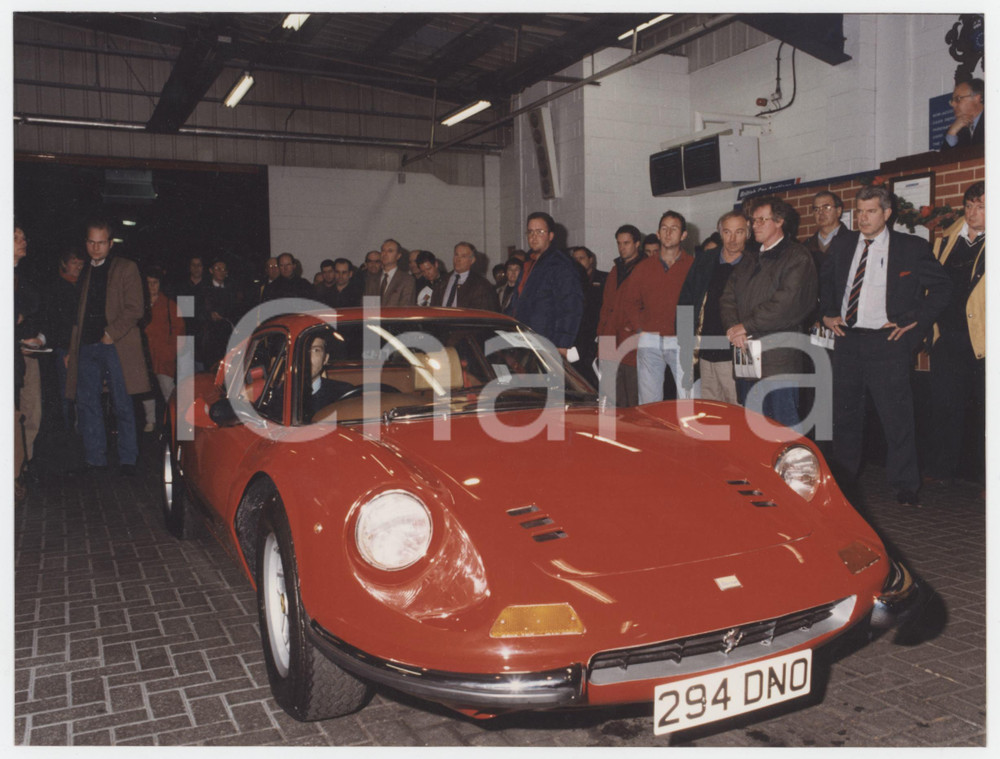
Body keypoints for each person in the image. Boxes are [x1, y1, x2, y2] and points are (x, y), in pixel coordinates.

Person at [820, 185, 950, 505]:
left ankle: (905, 485)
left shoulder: (910, 248)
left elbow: (943, 288)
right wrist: (826, 313)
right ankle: (844, 482)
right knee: (845, 417)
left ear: (887, 213)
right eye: (860, 212)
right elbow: (824, 281)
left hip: (887, 344)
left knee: (897, 418)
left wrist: (913, 321)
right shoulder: (844, 243)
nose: (863, 218)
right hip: (848, 341)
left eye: (871, 211)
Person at [721, 196, 817, 429]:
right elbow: (727, 298)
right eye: (753, 221)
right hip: (745, 354)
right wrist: (735, 329)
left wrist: (746, 326)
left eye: (762, 220)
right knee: (751, 427)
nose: (755, 225)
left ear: (779, 221)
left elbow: (786, 304)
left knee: (783, 429)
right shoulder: (750, 258)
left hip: (778, 360)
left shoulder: (797, 256)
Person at [66, 218, 150, 475]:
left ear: (110, 243)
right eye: (91, 242)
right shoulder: (85, 272)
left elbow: (135, 308)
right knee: (87, 403)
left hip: (116, 345)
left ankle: (128, 460)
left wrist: (110, 334)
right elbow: (78, 315)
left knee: (123, 402)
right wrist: (72, 349)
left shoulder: (126, 268)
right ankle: (96, 460)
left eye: (101, 243)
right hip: (87, 347)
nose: (95, 247)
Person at [924, 181, 984, 485]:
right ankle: (941, 470)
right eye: (969, 206)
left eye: (981, 207)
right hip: (948, 337)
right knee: (944, 406)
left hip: (984, 341)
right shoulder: (946, 241)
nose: (973, 213)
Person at [678, 212, 749, 405]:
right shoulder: (704, 260)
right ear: (720, 233)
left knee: (738, 411)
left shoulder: (754, 263)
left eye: (739, 232)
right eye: (727, 232)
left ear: (747, 234)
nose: (733, 239)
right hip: (705, 352)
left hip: (735, 353)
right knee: (711, 413)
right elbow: (686, 299)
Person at [634, 211, 695, 404]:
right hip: (650, 341)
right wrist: (640, 328)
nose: (668, 233)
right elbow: (629, 301)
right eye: (664, 228)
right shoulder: (644, 267)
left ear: (684, 235)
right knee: (648, 402)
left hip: (682, 340)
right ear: (658, 234)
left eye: (674, 229)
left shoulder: (694, 266)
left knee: (689, 400)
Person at [512, 212, 583, 356]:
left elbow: (571, 306)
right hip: (525, 340)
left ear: (550, 236)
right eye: (530, 232)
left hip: (547, 344)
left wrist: (562, 343)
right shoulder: (529, 262)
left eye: (540, 232)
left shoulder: (561, 265)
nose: (533, 236)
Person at [596, 224, 645, 406]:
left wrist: (635, 327)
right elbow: (606, 305)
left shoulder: (645, 268)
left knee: (632, 396)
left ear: (637, 243)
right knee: (610, 397)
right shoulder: (615, 270)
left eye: (626, 243)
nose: (622, 247)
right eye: (619, 243)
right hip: (609, 338)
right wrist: (601, 333)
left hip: (631, 340)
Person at [15, 223, 45, 496]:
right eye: (16, 237)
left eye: (24, 236)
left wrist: (37, 337)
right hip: (13, 355)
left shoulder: (25, 277)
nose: (23, 241)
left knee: (32, 411)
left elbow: (36, 311)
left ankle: (25, 465)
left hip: (28, 355)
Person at [140, 266, 185, 433]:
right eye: (149, 283)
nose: (152, 287)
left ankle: (178, 421)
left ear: (160, 284)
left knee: (168, 390)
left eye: (155, 283)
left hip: (163, 356)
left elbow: (179, 330)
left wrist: (171, 352)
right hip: (145, 355)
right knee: (146, 390)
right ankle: (150, 420)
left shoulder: (169, 305)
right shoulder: (139, 304)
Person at [47, 248, 86, 428]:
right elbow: (58, 321)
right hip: (64, 346)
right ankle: (69, 430)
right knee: (66, 391)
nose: (78, 266)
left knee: (82, 388)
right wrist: (67, 348)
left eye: (80, 263)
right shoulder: (57, 287)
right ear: (64, 264)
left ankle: (79, 426)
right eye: (74, 262)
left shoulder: (83, 286)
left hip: (82, 345)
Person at [569, 246, 607, 386]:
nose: (578, 261)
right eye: (575, 259)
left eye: (582, 258)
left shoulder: (604, 279)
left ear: (591, 260)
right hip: (579, 340)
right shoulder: (572, 281)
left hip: (597, 338)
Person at [199, 258, 241, 367]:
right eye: (218, 269)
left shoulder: (232, 289)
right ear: (211, 270)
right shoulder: (203, 289)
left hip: (227, 337)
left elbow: (236, 310)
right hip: (210, 338)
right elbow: (196, 312)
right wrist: (209, 315)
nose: (221, 272)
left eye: (224, 269)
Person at [432, 242, 498, 311]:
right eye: (456, 255)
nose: (458, 260)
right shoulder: (442, 281)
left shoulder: (481, 285)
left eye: (463, 256)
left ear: (472, 260)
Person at [303, 335, 353, 422]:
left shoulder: (345, 392)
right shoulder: (279, 395)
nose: (307, 358)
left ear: (325, 359)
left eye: (316, 350)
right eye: (303, 350)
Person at [365, 239, 415, 306]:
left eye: (390, 251)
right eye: (383, 250)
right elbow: (369, 310)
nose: (385, 254)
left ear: (398, 256)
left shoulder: (407, 280)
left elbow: (406, 308)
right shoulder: (372, 279)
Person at [940, 77, 984, 150]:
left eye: (958, 99)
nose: (953, 104)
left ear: (976, 98)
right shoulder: (957, 130)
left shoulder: (993, 122)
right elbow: (944, 159)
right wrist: (952, 133)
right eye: (952, 101)